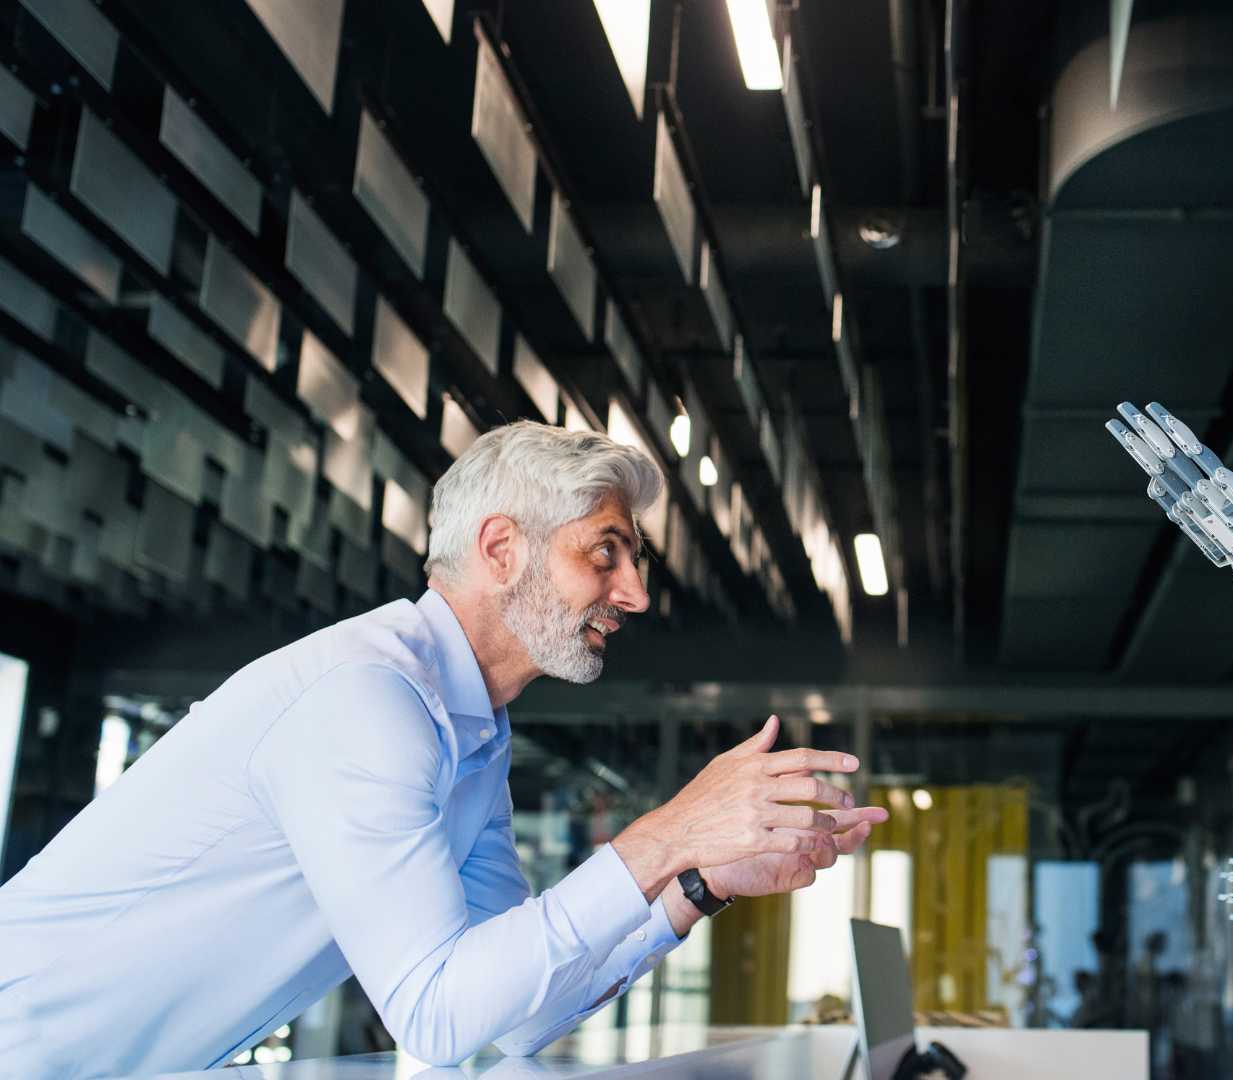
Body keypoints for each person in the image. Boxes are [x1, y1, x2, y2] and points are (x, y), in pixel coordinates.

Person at [0, 422, 888, 1078]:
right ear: (502, 549)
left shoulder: (469, 737)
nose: (636, 593)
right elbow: (433, 1014)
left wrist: (700, 885)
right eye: (606, 553)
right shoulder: (368, 699)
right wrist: (667, 833)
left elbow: (515, 1012)